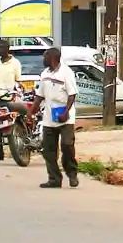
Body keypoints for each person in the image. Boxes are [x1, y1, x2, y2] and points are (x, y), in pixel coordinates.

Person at [36, 47, 79, 189]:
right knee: (48, 150)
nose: (43, 60)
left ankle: (72, 173)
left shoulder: (66, 73)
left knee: (67, 145)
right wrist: (31, 112)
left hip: (65, 117)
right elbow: (40, 96)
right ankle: (54, 178)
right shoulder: (44, 74)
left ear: (53, 58)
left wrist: (66, 111)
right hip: (49, 117)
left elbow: (72, 94)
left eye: (45, 57)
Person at [0, 42, 24, 160]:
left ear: (7, 49)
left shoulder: (15, 63)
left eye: (1, 47)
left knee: (17, 121)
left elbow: (18, 79)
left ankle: (21, 147)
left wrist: (17, 91)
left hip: (10, 97)